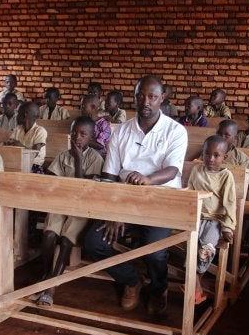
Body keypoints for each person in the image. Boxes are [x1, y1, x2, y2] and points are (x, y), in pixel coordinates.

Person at [84, 75, 188, 315]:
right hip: (125, 200)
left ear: (162, 98)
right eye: (141, 95)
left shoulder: (175, 131)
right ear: (134, 96)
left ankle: (159, 288)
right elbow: (110, 176)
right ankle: (131, 280)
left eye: (152, 96)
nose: (146, 102)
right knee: (94, 241)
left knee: (154, 248)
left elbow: (173, 170)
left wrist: (149, 179)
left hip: (161, 201)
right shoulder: (121, 131)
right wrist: (115, 210)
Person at [36, 117, 104, 306]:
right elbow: (51, 180)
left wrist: (79, 159)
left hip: (82, 210)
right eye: (74, 133)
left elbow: (84, 188)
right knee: (49, 235)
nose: (77, 138)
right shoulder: (62, 155)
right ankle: (47, 272)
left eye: (83, 134)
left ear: (92, 138)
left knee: (66, 241)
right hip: (60, 205)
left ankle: (51, 287)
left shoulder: (95, 159)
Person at [186, 136, 236, 304]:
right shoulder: (196, 170)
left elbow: (229, 202)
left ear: (224, 157)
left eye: (216, 155)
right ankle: (196, 286)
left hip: (214, 220)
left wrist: (227, 228)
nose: (211, 159)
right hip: (195, 217)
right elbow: (190, 193)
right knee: (189, 244)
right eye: (207, 154)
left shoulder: (226, 176)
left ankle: (195, 280)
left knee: (206, 246)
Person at [6, 102, 47, 174]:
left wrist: (20, 146)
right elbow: (9, 145)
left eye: (18, 113)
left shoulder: (40, 131)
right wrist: (5, 144)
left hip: (34, 166)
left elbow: (35, 154)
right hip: (17, 164)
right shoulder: (18, 129)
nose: (16, 116)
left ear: (25, 114)